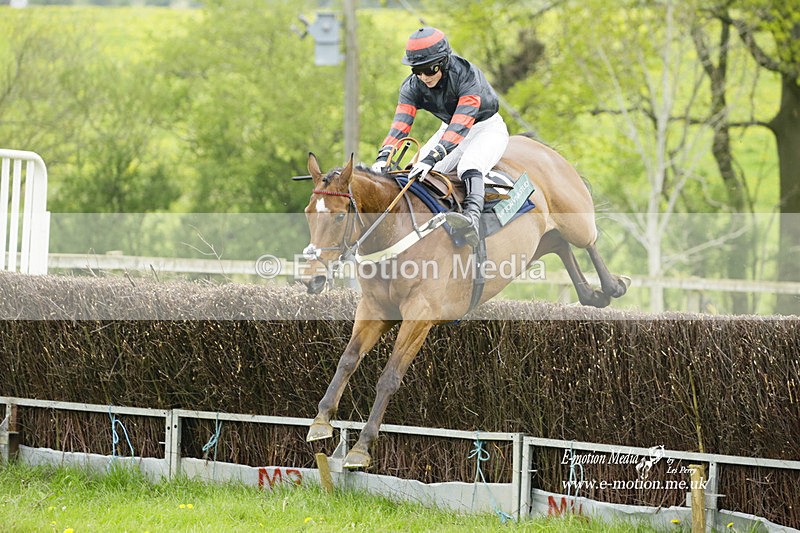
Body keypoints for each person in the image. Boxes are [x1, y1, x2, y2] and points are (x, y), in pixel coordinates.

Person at [371, 27, 509, 246]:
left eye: (430, 69)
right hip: (448, 129)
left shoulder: (467, 75)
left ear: (444, 61)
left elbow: (463, 122)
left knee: (469, 166)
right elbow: (400, 124)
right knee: (411, 174)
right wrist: (383, 155)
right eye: (417, 70)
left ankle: (472, 218)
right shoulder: (412, 86)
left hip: (485, 127)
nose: (424, 77)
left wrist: (431, 158)